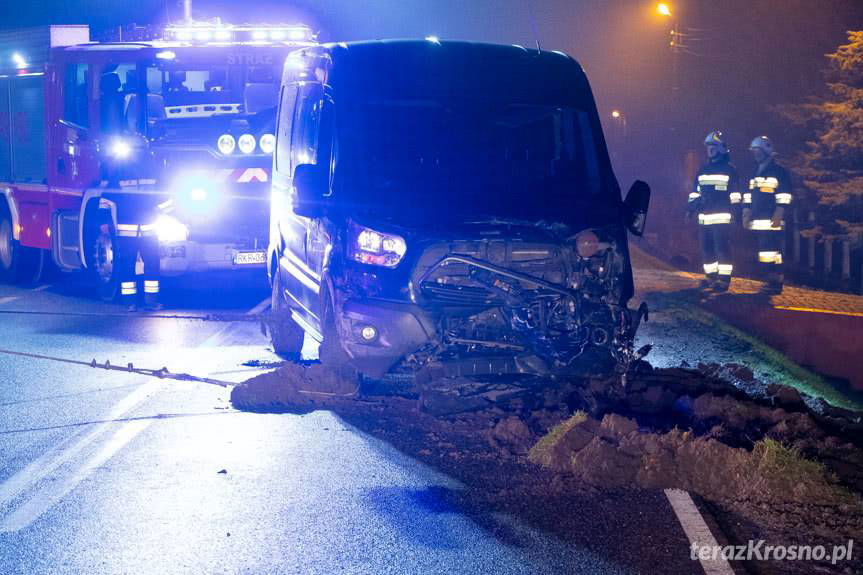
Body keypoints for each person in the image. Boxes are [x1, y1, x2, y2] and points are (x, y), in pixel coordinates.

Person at [688, 130, 740, 291]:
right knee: (706, 250)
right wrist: (690, 209)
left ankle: (723, 281)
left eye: (714, 146)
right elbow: (695, 192)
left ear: (722, 148)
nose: (710, 149)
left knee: (722, 249)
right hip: (704, 218)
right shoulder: (702, 170)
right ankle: (710, 278)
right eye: (708, 146)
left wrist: (737, 214)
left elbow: (736, 195)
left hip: (722, 219)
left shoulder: (729, 170)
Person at [745, 136, 792, 294]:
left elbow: (785, 193)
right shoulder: (755, 171)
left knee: (770, 251)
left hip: (773, 218)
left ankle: (773, 281)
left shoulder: (779, 171)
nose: (755, 154)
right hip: (759, 218)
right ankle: (774, 279)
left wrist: (780, 211)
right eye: (754, 151)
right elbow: (749, 194)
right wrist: (746, 211)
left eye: (758, 151)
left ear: (766, 151)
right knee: (769, 251)